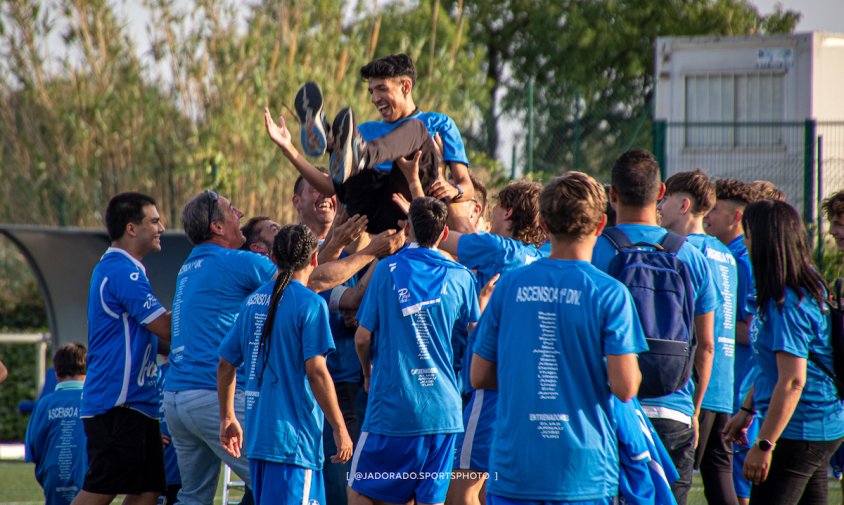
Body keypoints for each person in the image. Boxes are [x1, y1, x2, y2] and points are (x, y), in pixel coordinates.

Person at [470, 171, 646, 504]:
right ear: (599, 226)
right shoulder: (610, 294)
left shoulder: (509, 285)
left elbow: (479, 374)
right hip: (584, 471)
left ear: (544, 225)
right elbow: (626, 386)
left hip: (516, 466)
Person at [591, 149, 717, 505]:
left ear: (612, 194)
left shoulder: (597, 251)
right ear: (661, 192)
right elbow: (706, 345)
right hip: (674, 407)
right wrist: (694, 410)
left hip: (612, 407)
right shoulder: (690, 255)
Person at [349, 197, 480, 505]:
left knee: (358, 490)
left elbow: (362, 338)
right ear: (445, 234)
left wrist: (368, 375)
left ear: (406, 228)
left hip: (394, 407)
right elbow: (475, 337)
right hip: (445, 412)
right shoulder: (463, 277)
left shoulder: (386, 269)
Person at [218, 224, 353, 505]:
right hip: (294, 445)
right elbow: (316, 371)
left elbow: (225, 363)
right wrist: (340, 428)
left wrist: (227, 417)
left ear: (273, 259)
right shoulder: (310, 304)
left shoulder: (252, 301)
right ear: (315, 259)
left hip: (259, 442)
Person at [266, 54, 473, 234]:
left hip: (407, 203)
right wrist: (288, 149)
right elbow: (332, 186)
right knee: (354, 150)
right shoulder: (365, 132)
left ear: (405, 86)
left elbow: (467, 184)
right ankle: (328, 137)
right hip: (367, 211)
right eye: (371, 91)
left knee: (416, 129)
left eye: (381, 89)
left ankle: (345, 147)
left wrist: (455, 190)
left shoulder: (437, 122)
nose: (375, 98)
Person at [723, 199, 844, 504]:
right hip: (819, 427)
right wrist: (748, 410)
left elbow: (792, 381)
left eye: (746, 233)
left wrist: (764, 445)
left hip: (800, 428)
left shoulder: (787, 301)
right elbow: (772, 367)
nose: (744, 240)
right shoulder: (799, 286)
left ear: (763, 240)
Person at [163, 190, 276, 505]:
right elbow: (301, 283)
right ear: (216, 226)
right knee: (275, 479)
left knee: (193, 498)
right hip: (210, 395)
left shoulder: (190, 265)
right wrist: (366, 254)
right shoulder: (234, 262)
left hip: (176, 398)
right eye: (231, 209)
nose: (240, 213)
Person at [73, 192, 172, 505]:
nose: (162, 228)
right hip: (116, 403)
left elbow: (164, 339)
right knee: (102, 490)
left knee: (148, 490)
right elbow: (166, 328)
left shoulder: (128, 271)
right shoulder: (121, 271)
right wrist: (204, 307)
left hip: (137, 403)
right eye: (154, 221)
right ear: (132, 228)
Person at [659, 170, 739, 505]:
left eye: (666, 199)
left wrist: (692, 403)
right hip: (723, 386)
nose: (659, 205)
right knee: (719, 479)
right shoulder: (726, 253)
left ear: (684, 204)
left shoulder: (685, 252)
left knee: (671, 486)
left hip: (696, 387)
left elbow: (698, 334)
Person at [703, 178, 760, 505]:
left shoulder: (743, 259)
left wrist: (708, 329)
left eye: (715, 209)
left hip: (741, 392)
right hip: (731, 388)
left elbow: (753, 332)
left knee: (739, 490)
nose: (707, 214)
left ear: (736, 216)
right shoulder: (723, 253)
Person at [25, 343, 88, 505]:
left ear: (56, 374)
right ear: (88, 371)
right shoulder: (94, 401)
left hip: (53, 475)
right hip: (90, 476)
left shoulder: (45, 404)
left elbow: (33, 444)